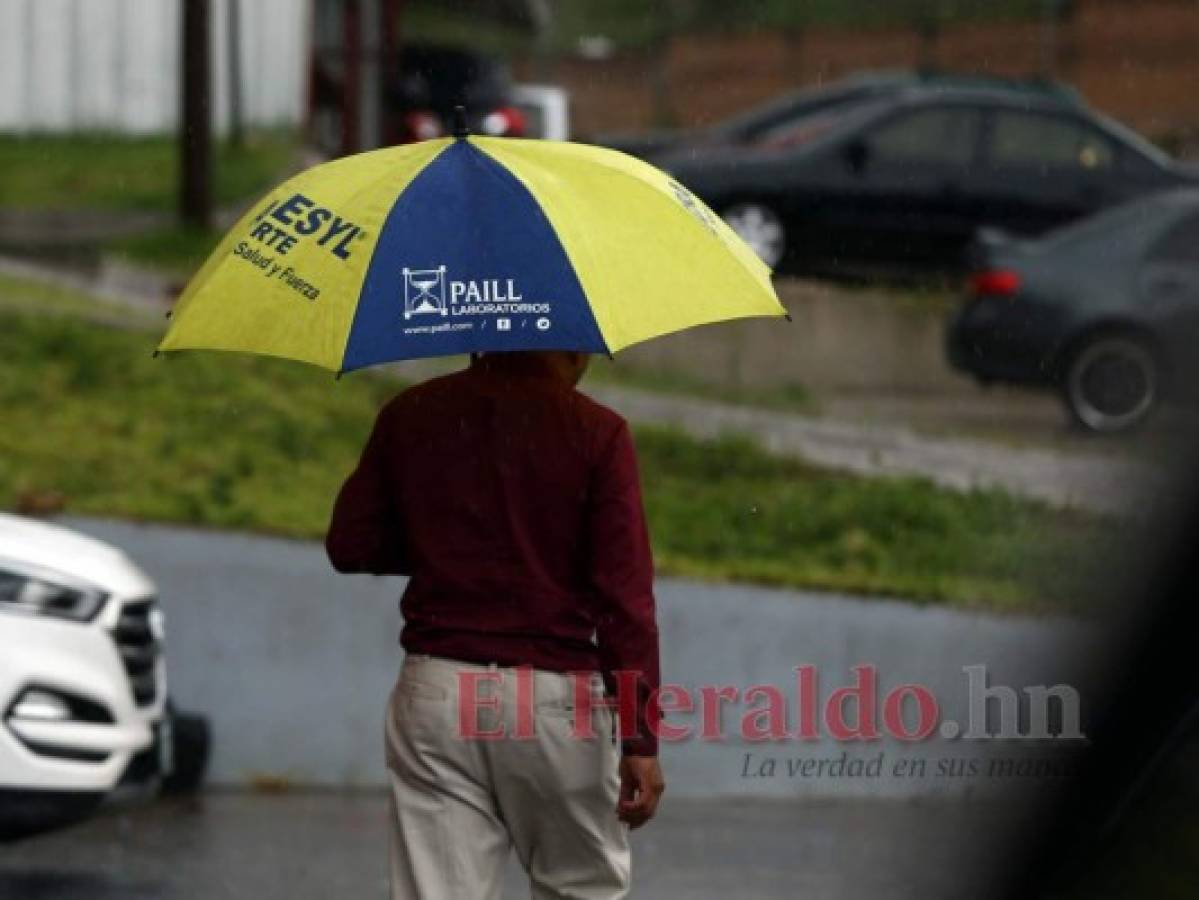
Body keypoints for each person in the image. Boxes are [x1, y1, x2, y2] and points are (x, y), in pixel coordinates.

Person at [326, 350, 664, 899]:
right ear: (569, 343)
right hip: (555, 704)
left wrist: (450, 548)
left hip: (437, 695)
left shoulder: (411, 413)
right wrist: (640, 738)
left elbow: (351, 543)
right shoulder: (597, 433)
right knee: (578, 889)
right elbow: (624, 600)